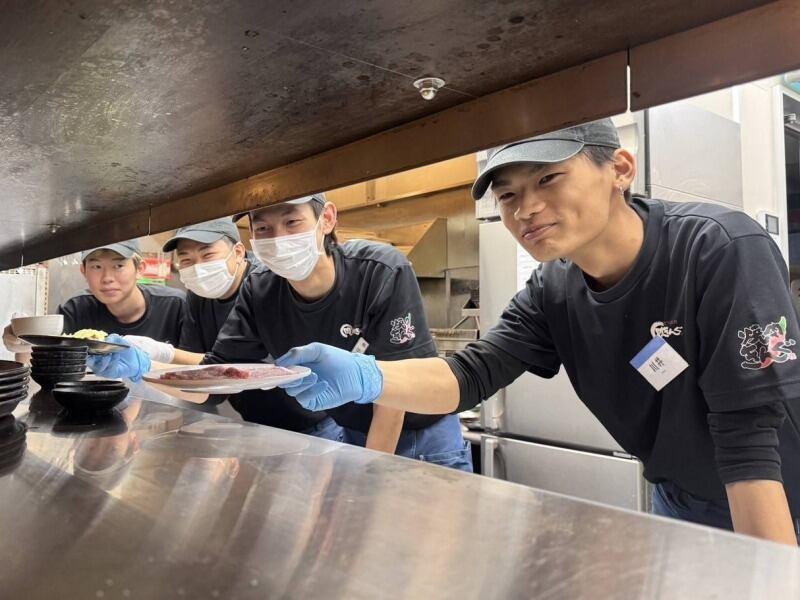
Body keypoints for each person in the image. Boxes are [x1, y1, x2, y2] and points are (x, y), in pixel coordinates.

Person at [275, 120, 800, 546]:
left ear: (620, 169)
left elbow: (748, 439)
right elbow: (470, 374)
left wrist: (770, 573)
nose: (524, 209)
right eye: (507, 195)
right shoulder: (554, 288)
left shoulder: (718, 248)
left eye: (548, 179)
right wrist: (368, 376)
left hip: (778, 500)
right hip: (680, 496)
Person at [94, 194, 472, 471]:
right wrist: (146, 366)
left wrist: (370, 471)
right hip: (354, 431)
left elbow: (393, 392)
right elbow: (215, 378)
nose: (277, 239)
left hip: (423, 436)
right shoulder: (260, 291)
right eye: (263, 228)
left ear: (326, 219)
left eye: (292, 223)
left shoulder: (378, 271)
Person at [126, 217, 344, 439]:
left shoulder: (265, 286)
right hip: (254, 425)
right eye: (187, 259)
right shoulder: (199, 297)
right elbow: (201, 375)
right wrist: (151, 360)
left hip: (313, 423)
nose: (199, 268)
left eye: (208, 255)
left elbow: (240, 367)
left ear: (238, 252)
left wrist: (160, 355)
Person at [3, 240, 187, 362]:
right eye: (97, 266)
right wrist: (23, 341)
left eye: (118, 266)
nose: (107, 278)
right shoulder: (76, 309)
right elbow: (39, 360)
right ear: (83, 271)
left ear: (140, 269)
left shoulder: (175, 306)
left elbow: (197, 365)